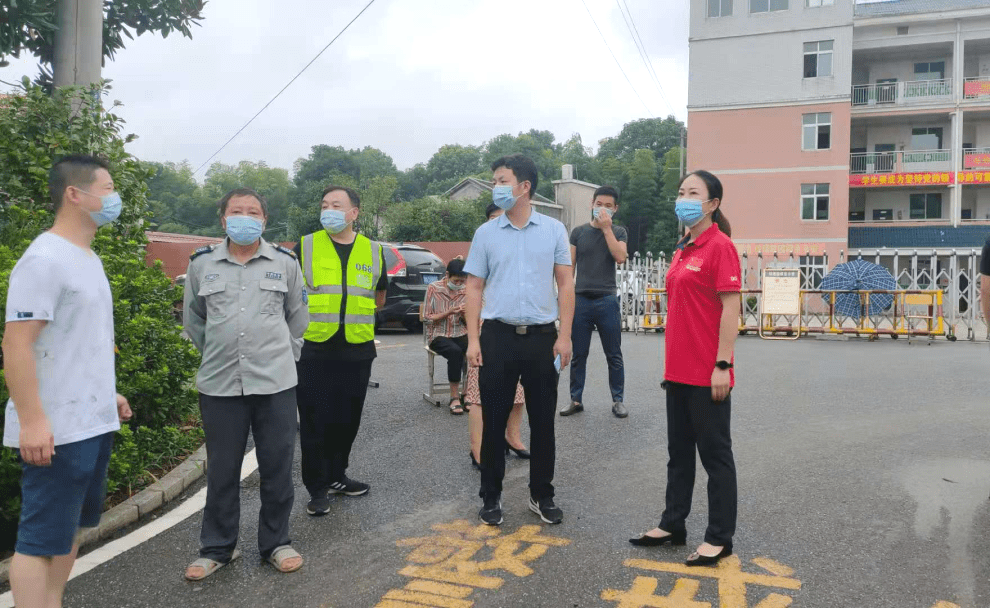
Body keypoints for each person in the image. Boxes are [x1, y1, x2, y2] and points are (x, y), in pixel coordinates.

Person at [3, 155, 133, 608]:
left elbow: (77, 342)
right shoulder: (44, 258)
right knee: (39, 541)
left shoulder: (86, 257)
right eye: (108, 187)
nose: (114, 197)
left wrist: (106, 393)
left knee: (72, 528)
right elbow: (16, 345)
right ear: (75, 195)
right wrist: (32, 422)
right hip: (55, 428)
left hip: (90, 421)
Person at [183, 188, 308, 579]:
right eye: (236, 211)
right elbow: (194, 320)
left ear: (264, 221)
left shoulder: (284, 262)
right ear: (223, 219)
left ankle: (276, 543)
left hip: (275, 384)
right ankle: (218, 548)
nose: (245, 217)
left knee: (276, 467)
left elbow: (297, 318)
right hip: (220, 384)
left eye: (253, 212)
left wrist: (281, 355)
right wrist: (218, 353)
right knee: (222, 469)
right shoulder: (202, 264)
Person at [629, 170, 741, 567]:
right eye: (681, 192)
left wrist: (722, 365)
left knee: (715, 457)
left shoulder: (720, 246)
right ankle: (673, 523)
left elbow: (731, 307)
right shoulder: (683, 247)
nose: (684, 198)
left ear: (713, 204)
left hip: (707, 372)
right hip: (676, 371)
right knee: (678, 456)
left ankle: (719, 537)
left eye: (693, 193)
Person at [464, 153, 574, 526]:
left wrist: (566, 337)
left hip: (543, 337)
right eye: (495, 180)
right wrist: (473, 340)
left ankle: (541, 494)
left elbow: (565, 284)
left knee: (543, 422)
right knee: (493, 421)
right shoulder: (485, 234)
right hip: (497, 337)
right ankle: (490, 497)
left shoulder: (554, 231)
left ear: (524, 187)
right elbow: (474, 287)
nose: (496, 187)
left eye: (501, 180)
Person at [293, 185, 388, 517]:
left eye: (336, 204)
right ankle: (317, 488)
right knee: (315, 422)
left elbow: (379, 297)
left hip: (357, 349)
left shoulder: (373, 251)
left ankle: (337, 475)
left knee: (348, 420)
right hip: (314, 349)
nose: (328, 209)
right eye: (324, 204)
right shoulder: (305, 246)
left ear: (354, 213)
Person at [465, 205, 531, 471]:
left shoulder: (519, 249)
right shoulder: (483, 245)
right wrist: (473, 338)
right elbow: (472, 289)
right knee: (479, 392)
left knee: (519, 390)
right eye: (494, 219)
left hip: (516, 327)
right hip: (486, 325)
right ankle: (477, 448)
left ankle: (512, 437)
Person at [561, 185, 629, 419]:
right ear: (591, 204)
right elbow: (568, 270)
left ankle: (618, 400)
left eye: (608, 206)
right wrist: (565, 302)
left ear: (615, 209)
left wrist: (607, 229)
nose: (602, 209)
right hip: (581, 299)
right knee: (579, 353)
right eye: (599, 204)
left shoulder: (619, 232)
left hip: (607, 299)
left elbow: (620, 257)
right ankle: (575, 399)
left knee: (614, 353)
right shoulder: (578, 233)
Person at [423, 258, 470, 414]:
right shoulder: (433, 288)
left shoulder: (466, 289)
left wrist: (464, 314)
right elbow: (427, 317)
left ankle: (468, 392)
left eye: (461, 282)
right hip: (437, 334)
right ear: (447, 275)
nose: (458, 285)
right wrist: (449, 312)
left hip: (459, 331)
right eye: (456, 281)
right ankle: (454, 397)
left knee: (475, 348)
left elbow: (469, 322)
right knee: (455, 352)